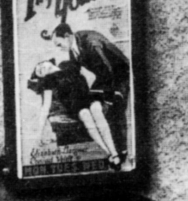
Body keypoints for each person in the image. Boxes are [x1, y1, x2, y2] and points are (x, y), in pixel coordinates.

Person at [48, 23, 130, 159]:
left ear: (67, 36)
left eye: (58, 44)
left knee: (116, 108)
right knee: (95, 106)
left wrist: (110, 96)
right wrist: (55, 72)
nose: (59, 48)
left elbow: (107, 68)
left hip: (119, 75)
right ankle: (112, 150)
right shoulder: (72, 46)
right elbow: (75, 69)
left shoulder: (91, 42)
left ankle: (122, 151)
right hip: (104, 75)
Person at [28, 59, 122, 169]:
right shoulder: (49, 80)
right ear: (43, 76)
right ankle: (109, 153)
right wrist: (39, 133)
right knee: (86, 115)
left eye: (40, 64)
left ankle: (114, 151)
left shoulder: (68, 64)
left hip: (89, 97)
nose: (41, 67)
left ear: (48, 62)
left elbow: (91, 76)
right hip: (75, 105)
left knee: (96, 111)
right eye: (39, 71)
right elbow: (45, 107)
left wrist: (90, 88)